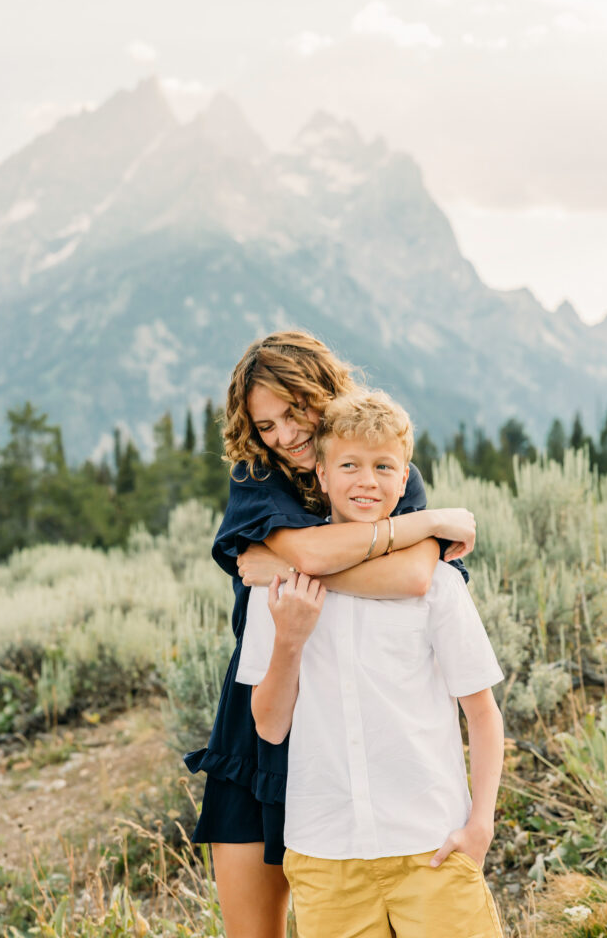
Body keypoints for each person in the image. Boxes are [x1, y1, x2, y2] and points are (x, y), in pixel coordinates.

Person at [184, 331, 477, 938]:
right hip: (263, 706)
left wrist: (291, 565)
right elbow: (317, 552)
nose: (285, 436)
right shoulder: (256, 477)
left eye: (295, 413)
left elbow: (416, 576)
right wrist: (424, 525)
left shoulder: (385, 467)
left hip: (354, 725)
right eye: (266, 426)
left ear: (325, 390)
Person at [237, 388, 505, 938]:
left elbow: (482, 712)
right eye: (350, 466)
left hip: (431, 844)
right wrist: (290, 639)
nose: (367, 481)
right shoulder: (279, 586)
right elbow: (268, 724)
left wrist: (480, 825)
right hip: (324, 853)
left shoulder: (438, 585)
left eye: (384, 467)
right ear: (322, 477)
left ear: (405, 480)